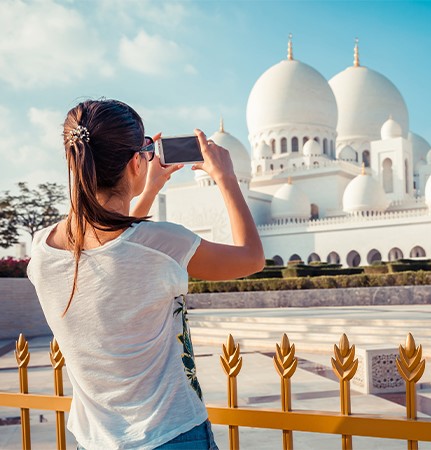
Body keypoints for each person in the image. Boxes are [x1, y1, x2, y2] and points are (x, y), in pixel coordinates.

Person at [27, 99, 264, 449]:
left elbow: (114, 251)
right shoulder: (163, 244)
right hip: (171, 435)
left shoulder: (41, 249)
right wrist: (226, 177)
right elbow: (251, 258)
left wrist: (148, 187)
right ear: (136, 161)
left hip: (94, 441)